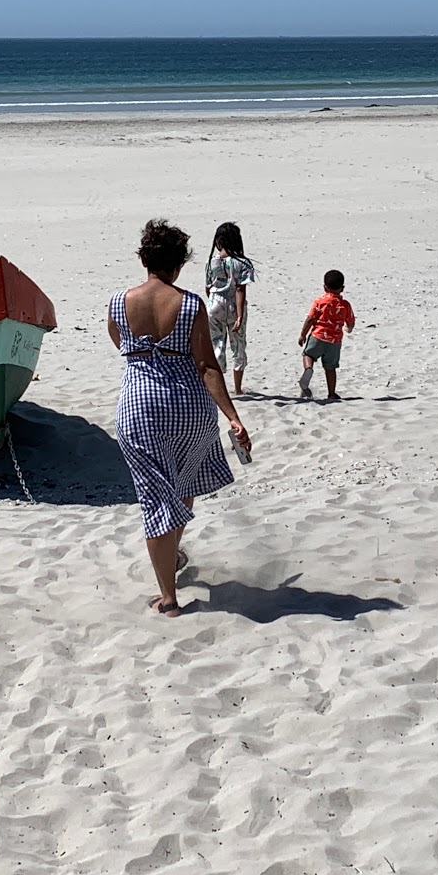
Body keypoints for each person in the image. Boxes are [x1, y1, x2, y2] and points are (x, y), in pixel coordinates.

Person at [109, 219, 253, 617]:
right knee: (183, 479)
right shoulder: (190, 305)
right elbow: (207, 366)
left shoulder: (119, 303)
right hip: (189, 409)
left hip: (139, 408)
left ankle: (169, 597)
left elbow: (121, 343)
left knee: (155, 498)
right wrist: (233, 417)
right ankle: (170, 556)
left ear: (144, 259)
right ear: (179, 264)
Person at [204, 221, 256, 396]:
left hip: (215, 303)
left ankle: (218, 387)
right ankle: (238, 388)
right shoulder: (242, 263)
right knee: (238, 345)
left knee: (217, 344)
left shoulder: (213, 261)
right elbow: (241, 289)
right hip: (234, 305)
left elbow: (207, 287)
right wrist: (240, 315)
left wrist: (212, 302)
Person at [297, 268, 356, 402]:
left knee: (308, 355)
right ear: (342, 288)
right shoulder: (345, 305)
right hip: (334, 341)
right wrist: (349, 328)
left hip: (318, 336)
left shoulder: (320, 302)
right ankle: (331, 393)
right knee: (330, 368)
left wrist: (302, 334)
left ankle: (308, 369)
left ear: (324, 287)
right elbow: (351, 321)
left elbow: (310, 319)